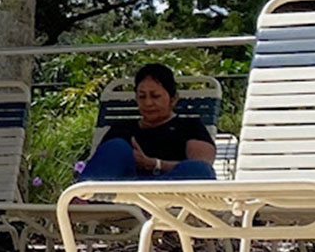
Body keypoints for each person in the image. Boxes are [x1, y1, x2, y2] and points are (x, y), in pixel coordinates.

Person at [78, 62, 217, 181]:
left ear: (173, 99)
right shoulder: (121, 129)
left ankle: (149, 205)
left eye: (155, 96)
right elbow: (103, 166)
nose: (148, 103)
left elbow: (203, 166)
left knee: (198, 170)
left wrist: (155, 164)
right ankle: (83, 200)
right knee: (116, 146)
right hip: (125, 192)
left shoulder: (189, 126)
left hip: (170, 190)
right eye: (142, 97)